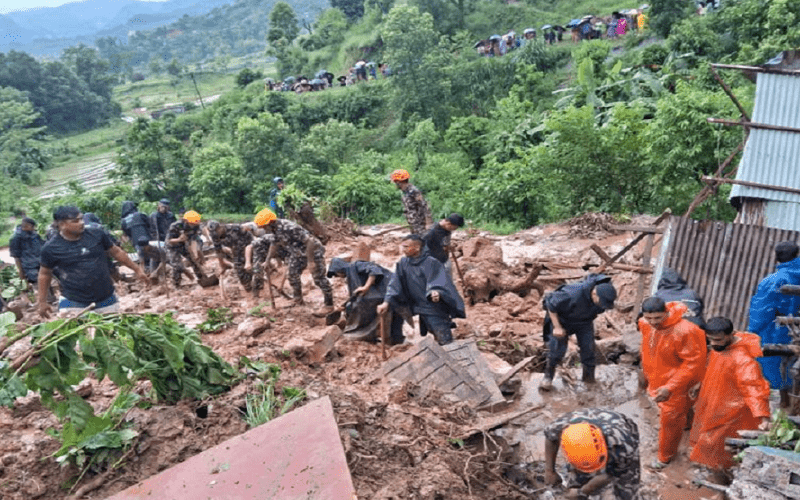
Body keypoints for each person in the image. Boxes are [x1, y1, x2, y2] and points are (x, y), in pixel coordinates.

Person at [689, 317, 770, 482]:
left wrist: (762, 415)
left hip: (731, 413)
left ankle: (723, 482)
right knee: (709, 442)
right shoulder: (720, 348)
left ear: (730, 335)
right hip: (713, 402)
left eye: (717, 340)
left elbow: (753, 388)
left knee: (720, 449)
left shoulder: (744, 360)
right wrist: (700, 384)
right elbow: (713, 368)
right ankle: (715, 474)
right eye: (710, 339)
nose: (713, 343)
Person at [37, 206, 149, 317]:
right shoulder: (50, 248)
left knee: (111, 331)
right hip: (73, 302)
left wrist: (137, 269)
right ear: (61, 224)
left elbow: (117, 252)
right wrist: (42, 302)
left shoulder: (97, 234)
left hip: (106, 298)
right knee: (78, 333)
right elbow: (44, 273)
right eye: (75, 221)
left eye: (81, 219)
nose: (81, 223)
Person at [638, 297, 707, 469]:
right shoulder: (643, 323)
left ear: (667, 312)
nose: (653, 322)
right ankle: (688, 424)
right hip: (659, 377)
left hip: (677, 382)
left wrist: (670, 386)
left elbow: (693, 363)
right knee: (683, 410)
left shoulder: (686, 331)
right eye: (649, 318)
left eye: (658, 318)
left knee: (670, 421)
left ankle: (664, 457)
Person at [377, 234, 465, 346]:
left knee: (443, 335)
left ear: (417, 248)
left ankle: (453, 356)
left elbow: (439, 281)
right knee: (432, 331)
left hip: (434, 308)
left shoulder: (432, 263)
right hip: (419, 306)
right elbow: (394, 284)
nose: (403, 249)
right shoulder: (403, 263)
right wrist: (386, 302)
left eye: (406, 246)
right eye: (402, 246)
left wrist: (436, 291)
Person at [540, 274, 617, 390]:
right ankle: (548, 377)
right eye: (600, 303)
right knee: (557, 351)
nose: (602, 306)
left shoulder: (604, 293)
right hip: (562, 321)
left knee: (589, 350)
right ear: (594, 293)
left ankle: (589, 379)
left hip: (584, 322)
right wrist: (557, 327)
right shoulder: (571, 293)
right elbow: (551, 306)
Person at [543, 408, 641, 500]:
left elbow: (609, 475)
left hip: (619, 431)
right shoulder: (560, 426)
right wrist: (550, 470)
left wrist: (583, 491)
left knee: (627, 484)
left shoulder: (624, 447)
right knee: (578, 480)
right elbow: (550, 438)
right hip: (586, 428)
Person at [748, 240, 800, 409]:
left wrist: (752, 332)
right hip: (796, 330)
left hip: (776, 330)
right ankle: (792, 405)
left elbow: (762, 309)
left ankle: (784, 405)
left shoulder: (773, 281)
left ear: (776, 257)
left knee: (776, 366)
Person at [251, 208, 333, 315]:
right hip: (297, 253)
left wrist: (311, 262)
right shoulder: (274, 230)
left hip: (313, 252)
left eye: (264, 227)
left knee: (319, 278)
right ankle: (298, 299)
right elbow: (274, 244)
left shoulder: (288, 227)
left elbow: (310, 242)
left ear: (270, 223)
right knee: (292, 274)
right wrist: (267, 261)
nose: (264, 230)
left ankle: (329, 305)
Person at [327, 243, 405, 345]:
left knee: (358, 308)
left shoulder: (356, 265)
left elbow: (374, 269)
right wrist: (343, 305)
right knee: (354, 306)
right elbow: (356, 294)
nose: (339, 276)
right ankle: (391, 341)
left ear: (339, 268)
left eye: (336, 274)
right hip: (387, 293)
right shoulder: (351, 274)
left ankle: (361, 334)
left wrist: (366, 287)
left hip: (391, 289)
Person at [207, 220, 256, 294]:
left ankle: (258, 285)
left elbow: (249, 231)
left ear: (220, 227)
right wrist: (222, 264)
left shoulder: (234, 227)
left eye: (217, 231)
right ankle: (249, 289)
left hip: (247, 245)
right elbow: (218, 250)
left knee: (252, 265)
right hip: (236, 250)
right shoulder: (215, 236)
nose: (216, 234)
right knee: (239, 269)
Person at [166, 210, 208, 287]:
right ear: (185, 221)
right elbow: (169, 240)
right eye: (191, 224)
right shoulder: (176, 226)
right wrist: (178, 239)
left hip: (185, 245)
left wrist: (196, 253)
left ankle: (203, 279)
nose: (193, 225)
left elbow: (194, 240)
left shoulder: (196, 225)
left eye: (194, 224)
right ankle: (176, 284)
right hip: (173, 246)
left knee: (194, 261)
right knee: (177, 266)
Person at [389, 169, 433, 236]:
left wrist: (428, 223)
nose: (395, 184)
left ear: (400, 181)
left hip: (420, 225)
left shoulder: (414, 191)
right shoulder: (405, 192)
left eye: (396, 182)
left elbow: (424, 206)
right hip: (413, 224)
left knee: (423, 242)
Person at [423, 213, 464, 278]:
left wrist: (447, 249)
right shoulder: (432, 231)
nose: (452, 230)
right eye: (453, 228)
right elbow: (425, 247)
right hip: (431, 258)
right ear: (448, 223)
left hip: (441, 257)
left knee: (447, 268)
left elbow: (446, 244)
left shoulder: (447, 230)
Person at [9, 217, 44, 288]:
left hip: (40, 264)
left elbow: (42, 247)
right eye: (32, 227)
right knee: (38, 284)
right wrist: (21, 274)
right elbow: (16, 257)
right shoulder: (16, 238)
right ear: (27, 226)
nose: (34, 228)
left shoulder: (34, 235)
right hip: (29, 267)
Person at [121, 201, 154, 272]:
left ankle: (144, 270)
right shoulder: (141, 215)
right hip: (147, 238)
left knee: (141, 256)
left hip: (136, 241)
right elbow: (150, 225)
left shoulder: (124, 221)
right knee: (151, 254)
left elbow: (126, 233)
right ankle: (152, 269)